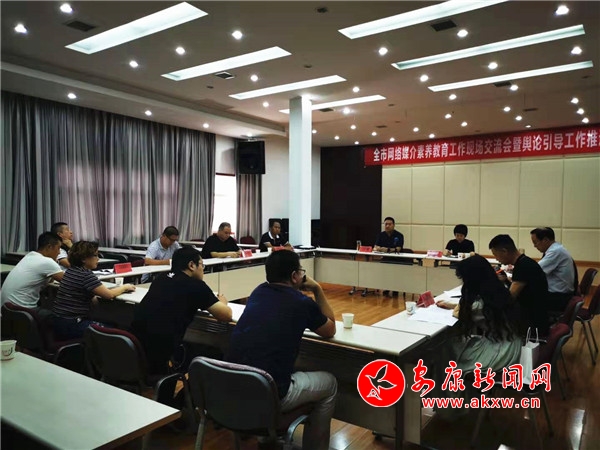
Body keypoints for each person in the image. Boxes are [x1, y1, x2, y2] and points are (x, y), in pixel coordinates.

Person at [227, 251, 337, 450]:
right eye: (300, 271)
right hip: (271, 393)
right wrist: (318, 289)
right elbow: (330, 329)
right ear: (295, 276)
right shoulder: (301, 302)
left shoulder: (258, 292)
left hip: (233, 386)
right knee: (330, 383)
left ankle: (266, 440)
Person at [432, 255, 521, 420]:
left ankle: (450, 408)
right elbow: (472, 310)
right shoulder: (496, 291)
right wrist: (453, 305)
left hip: (500, 351)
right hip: (506, 344)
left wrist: (456, 306)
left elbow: (461, 313)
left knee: (446, 354)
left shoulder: (479, 304)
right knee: (452, 347)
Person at [131, 247, 232, 374]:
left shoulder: (161, 278)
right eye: (202, 265)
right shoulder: (196, 285)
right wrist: (222, 302)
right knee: (212, 352)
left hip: (135, 347)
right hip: (159, 354)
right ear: (191, 265)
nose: (203, 269)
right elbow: (226, 315)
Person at [52, 241, 135, 339]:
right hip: (72, 324)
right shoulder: (86, 275)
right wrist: (125, 287)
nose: (98, 258)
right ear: (84, 259)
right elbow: (109, 295)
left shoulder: (71, 270)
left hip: (60, 322)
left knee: (109, 322)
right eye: (95, 255)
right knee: (117, 330)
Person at [489, 234, 549, 336]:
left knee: (488, 318)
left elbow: (509, 298)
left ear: (504, 251)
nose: (496, 259)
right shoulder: (525, 261)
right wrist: (505, 280)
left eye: (496, 255)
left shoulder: (523, 266)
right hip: (535, 317)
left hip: (531, 324)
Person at [1, 232, 64, 311]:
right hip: (23, 311)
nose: (59, 252)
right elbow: (70, 281)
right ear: (49, 247)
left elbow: (50, 279)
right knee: (57, 315)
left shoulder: (30, 256)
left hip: (6, 309)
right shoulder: (46, 262)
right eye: (58, 248)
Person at [530, 227, 576, 313]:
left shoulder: (555, 251)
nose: (535, 246)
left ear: (545, 240)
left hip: (559, 298)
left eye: (535, 242)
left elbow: (535, 271)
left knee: (523, 298)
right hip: (561, 295)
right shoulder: (556, 249)